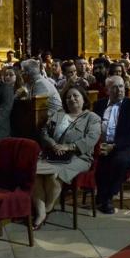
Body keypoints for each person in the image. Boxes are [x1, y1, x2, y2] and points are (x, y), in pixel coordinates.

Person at [33, 86, 101, 229]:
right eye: (68, 97)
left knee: (54, 176)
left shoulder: (92, 118)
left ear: (83, 99)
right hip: (53, 153)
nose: (71, 99)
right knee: (34, 173)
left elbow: (91, 139)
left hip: (79, 157)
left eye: (75, 96)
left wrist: (68, 147)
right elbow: (44, 132)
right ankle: (40, 212)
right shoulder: (58, 114)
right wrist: (53, 144)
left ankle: (47, 208)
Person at [93, 76, 130, 214]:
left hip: (124, 146)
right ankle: (101, 193)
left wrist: (114, 146)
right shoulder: (99, 105)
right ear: (107, 90)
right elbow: (93, 127)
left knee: (119, 161)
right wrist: (99, 145)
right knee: (95, 160)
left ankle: (106, 197)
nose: (119, 90)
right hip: (102, 144)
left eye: (121, 86)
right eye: (114, 87)